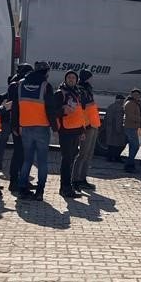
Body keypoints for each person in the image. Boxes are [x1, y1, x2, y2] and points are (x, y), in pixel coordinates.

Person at [17, 61, 57, 200]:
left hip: (25, 127)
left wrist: (17, 125)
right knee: (42, 162)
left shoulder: (21, 84)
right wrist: (55, 128)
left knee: (27, 160)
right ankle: (39, 192)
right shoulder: (46, 86)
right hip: (41, 127)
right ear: (46, 72)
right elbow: (50, 109)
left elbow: (16, 106)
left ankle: (22, 189)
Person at [56, 70, 86, 199]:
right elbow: (52, 111)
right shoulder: (60, 93)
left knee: (71, 159)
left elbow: (80, 114)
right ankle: (65, 188)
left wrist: (82, 131)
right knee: (67, 160)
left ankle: (68, 186)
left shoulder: (77, 93)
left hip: (76, 131)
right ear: (65, 79)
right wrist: (63, 110)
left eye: (73, 77)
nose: (71, 79)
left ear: (77, 80)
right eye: (69, 77)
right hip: (65, 131)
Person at [72, 69, 100, 191]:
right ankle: (76, 180)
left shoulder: (88, 90)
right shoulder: (81, 90)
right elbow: (81, 111)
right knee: (83, 154)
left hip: (93, 125)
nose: (92, 79)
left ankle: (82, 179)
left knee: (88, 154)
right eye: (90, 77)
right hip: (87, 126)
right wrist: (83, 127)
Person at [7, 63, 33, 194]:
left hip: (23, 123)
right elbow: (15, 108)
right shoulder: (16, 85)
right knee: (19, 154)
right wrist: (16, 126)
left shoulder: (20, 84)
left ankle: (23, 179)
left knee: (24, 155)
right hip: (18, 124)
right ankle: (14, 181)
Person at [122, 88, 141, 173]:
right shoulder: (130, 103)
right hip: (130, 127)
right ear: (132, 95)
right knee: (135, 146)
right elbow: (131, 116)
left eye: (138, 95)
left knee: (133, 146)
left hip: (133, 127)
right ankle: (129, 165)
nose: (137, 96)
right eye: (135, 94)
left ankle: (130, 164)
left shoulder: (135, 103)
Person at [104, 93, 126, 162]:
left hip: (109, 128)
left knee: (110, 144)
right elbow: (118, 120)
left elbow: (106, 118)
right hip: (115, 129)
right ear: (120, 100)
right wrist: (119, 130)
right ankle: (117, 158)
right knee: (118, 144)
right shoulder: (119, 108)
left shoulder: (110, 106)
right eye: (123, 100)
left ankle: (109, 157)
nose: (123, 102)